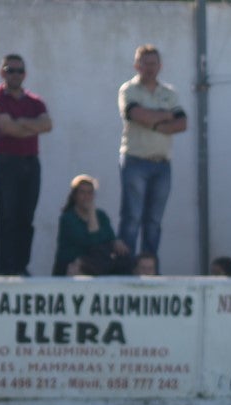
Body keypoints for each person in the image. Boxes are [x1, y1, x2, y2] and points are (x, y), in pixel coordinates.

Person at [117, 44, 187, 260]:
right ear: (137, 66)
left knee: (154, 221)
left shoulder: (169, 93)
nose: (149, 68)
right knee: (132, 217)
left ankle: (149, 267)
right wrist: (165, 117)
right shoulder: (128, 90)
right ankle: (125, 268)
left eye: (153, 63)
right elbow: (137, 115)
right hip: (135, 161)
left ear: (160, 66)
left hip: (162, 164)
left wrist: (152, 121)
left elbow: (182, 123)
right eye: (145, 63)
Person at [0, 53, 52, 276]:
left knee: (26, 218)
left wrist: (21, 123)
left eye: (19, 71)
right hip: (5, 163)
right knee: (7, 218)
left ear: (25, 74)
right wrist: (31, 126)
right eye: (10, 70)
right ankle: (7, 269)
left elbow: (47, 125)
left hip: (30, 163)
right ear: (2, 72)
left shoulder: (35, 101)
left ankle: (21, 267)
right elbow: (7, 128)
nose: (15, 75)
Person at [53, 175, 133, 276]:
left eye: (90, 193)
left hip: (96, 261)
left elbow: (109, 237)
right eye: (82, 192)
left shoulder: (101, 215)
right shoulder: (68, 218)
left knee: (124, 257)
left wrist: (116, 241)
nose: (86, 197)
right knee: (96, 255)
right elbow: (92, 242)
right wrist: (91, 212)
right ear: (75, 195)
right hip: (73, 262)